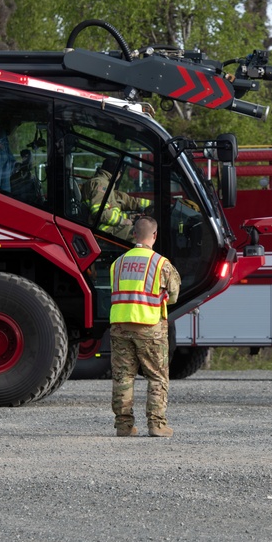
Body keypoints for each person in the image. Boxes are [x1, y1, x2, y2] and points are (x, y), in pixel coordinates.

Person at [109, 216, 181, 437]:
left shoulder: (117, 263)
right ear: (155, 235)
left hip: (120, 325)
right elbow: (174, 296)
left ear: (133, 235)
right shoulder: (161, 264)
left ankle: (124, 426)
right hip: (149, 326)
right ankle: (157, 425)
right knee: (157, 377)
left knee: (123, 377)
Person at [82, 156, 150, 241]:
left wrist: (129, 217)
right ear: (118, 173)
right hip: (102, 230)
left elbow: (121, 202)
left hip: (105, 226)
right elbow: (99, 212)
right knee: (140, 234)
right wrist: (123, 221)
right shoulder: (101, 184)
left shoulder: (105, 183)